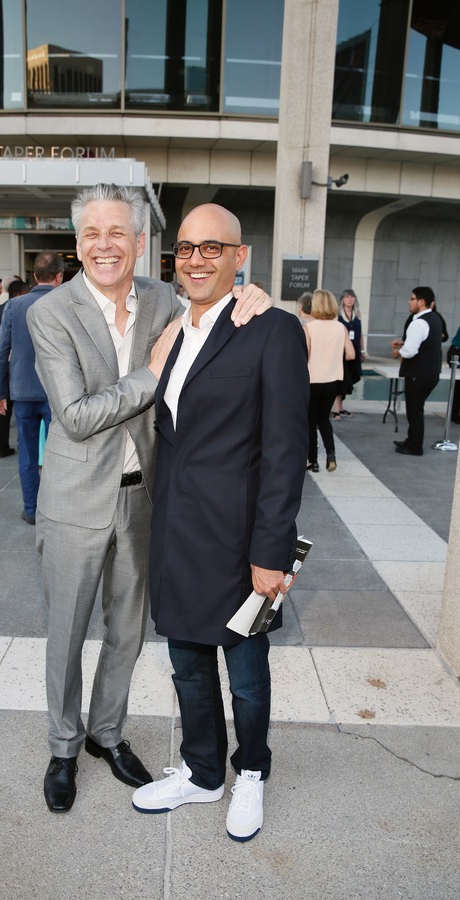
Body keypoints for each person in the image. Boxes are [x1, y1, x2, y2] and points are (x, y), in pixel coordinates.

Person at [26, 182, 271, 816]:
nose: (104, 246)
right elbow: (76, 416)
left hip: (146, 503)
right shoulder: (48, 313)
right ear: (77, 245)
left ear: (141, 242)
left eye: (117, 234)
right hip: (75, 502)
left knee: (128, 635)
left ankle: (107, 734)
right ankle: (62, 746)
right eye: (90, 235)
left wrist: (252, 295)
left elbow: (217, 298)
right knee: (66, 633)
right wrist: (151, 375)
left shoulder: (165, 297)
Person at [131, 203, 309, 843]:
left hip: (239, 542)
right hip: (177, 533)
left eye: (214, 247)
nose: (198, 258)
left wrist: (272, 552)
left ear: (240, 257)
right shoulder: (173, 330)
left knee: (246, 670)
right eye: (186, 247)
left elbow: (287, 453)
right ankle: (203, 773)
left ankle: (251, 771)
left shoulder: (271, 328)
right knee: (186, 664)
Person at [0, 254, 63, 523]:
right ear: (60, 276)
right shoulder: (64, 303)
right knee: (59, 453)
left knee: (27, 453)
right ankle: (56, 509)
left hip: (21, 390)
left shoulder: (14, 305)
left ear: (34, 276)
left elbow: (2, 353)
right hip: (56, 391)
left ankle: (31, 510)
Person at [304, 289, 355, 472]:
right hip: (333, 380)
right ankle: (331, 455)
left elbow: (305, 355)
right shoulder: (340, 327)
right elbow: (351, 354)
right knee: (324, 419)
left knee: (310, 420)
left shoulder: (309, 327)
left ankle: (312, 460)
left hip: (312, 379)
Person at [391, 286, 442, 456]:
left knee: (415, 411)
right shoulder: (434, 319)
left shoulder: (418, 322)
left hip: (418, 374)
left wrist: (398, 352)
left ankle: (415, 446)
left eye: (412, 298)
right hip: (430, 373)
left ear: (421, 302)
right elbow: (423, 344)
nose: (409, 301)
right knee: (416, 409)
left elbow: (410, 351)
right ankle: (411, 440)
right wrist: (403, 345)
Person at [0, 279, 27, 458]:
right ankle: (22, 442)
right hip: (21, 366)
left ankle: (1, 446)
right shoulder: (25, 310)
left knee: (2, 410)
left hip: (0, 362)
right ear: (19, 294)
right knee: (21, 409)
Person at [332, 289, 364, 419]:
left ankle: (340, 407)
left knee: (350, 378)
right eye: (347, 297)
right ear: (342, 300)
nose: (350, 299)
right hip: (342, 351)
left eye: (352, 297)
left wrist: (362, 350)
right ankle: (335, 410)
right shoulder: (338, 315)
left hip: (354, 351)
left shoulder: (357, 314)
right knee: (341, 379)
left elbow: (360, 334)